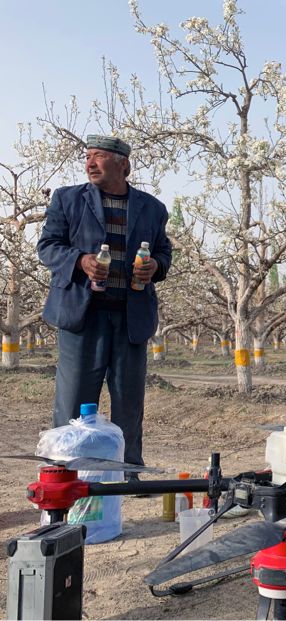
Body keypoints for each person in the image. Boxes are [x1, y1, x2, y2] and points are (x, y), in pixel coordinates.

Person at [37, 135, 172, 470]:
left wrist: (156, 265)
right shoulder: (68, 200)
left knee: (129, 403)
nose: (90, 163)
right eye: (87, 157)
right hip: (84, 316)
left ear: (123, 164)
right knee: (74, 403)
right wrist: (80, 261)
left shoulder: (152, 208)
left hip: (130, 318)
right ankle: (65, 472)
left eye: (98, 156)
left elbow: (163, 252)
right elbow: (48, 246)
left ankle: (128, 474)